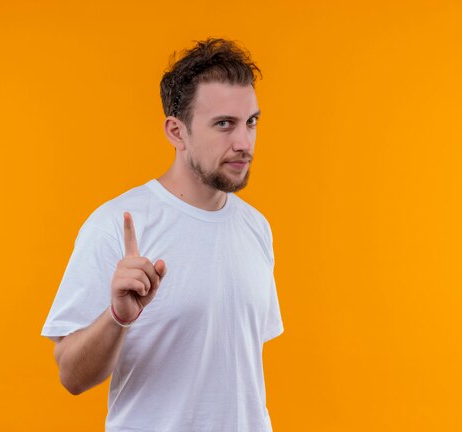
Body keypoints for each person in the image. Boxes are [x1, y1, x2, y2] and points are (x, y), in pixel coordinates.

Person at [41, 38, 284, 432]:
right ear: (177, 131)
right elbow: (71, 374)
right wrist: (117, 317)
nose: (244, 143)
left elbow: (238, 375)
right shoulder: (117, 225)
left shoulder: (256, 227)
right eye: (224, 124)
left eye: (251, 122)